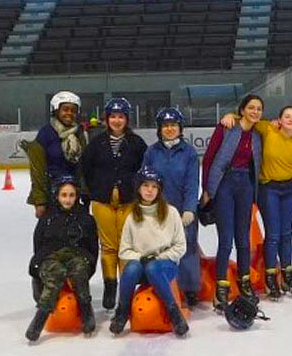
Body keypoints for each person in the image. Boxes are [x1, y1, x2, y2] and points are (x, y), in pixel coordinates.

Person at [220, 106, 292, 300]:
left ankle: (287, 275)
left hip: (289, 188)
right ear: (279, 119)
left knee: (287, 233)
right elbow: (248, 118)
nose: (291, 119)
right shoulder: (267, 129)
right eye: (287, 116)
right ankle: (271, 276)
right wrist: (230, 115)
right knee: (274, 234)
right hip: (269, 188)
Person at [80, 98, 147, 310]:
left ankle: (127, 286)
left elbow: (145, 171)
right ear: (107, 119)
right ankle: (110, 286)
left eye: (121, 116)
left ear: (127, 119)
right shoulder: (96, 143)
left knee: (127, 246)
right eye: (113, 116)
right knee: (108, 246)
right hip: (102, 202)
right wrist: (89, 192)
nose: (117, 120)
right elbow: (84, 169)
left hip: (129, 201)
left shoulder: (137, 144)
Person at [110, 167, 189, 337]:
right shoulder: (132, 216)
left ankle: (174, 312)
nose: (149, 190)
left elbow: (180, 246)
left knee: (153, 267)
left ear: (159, 190)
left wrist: (158, 258)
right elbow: (124, 249)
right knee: (130, 268)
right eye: (145, 185)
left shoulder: (171, 213)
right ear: (138, 188)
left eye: (154, 187)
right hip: (141, 264)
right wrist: (141, 258)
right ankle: (122, 311)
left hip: (164, 265)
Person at [202, 95, 264, 311]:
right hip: (224, 184)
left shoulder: (258, 135)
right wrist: (208, 189)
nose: (255, 112)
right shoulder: (227, 127)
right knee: (226, 238)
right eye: (251, 108)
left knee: (243, 238)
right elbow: (209, 158)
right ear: (242, 110)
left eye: (259, 109)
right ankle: (221, 286)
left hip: (245, 185)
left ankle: (245, 282)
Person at [25, 176, 99, 342]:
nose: (67, 199)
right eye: (64, 195)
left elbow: (93, 246)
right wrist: (38, 265)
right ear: (57, 196)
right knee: (56, 273)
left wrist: (90, 262)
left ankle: (86, 309)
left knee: (79, 270)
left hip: (76, 255)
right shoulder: (48, 218)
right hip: (51, 257)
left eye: (71, 195)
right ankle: (40, 316)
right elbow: (38, 244)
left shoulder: (85, 219)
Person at [142, 108, 200, 307]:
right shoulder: (152, 152)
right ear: (159, 129)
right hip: (158, 211)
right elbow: (144, 181)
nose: (169, 129)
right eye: (165, 126)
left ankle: (189, 288)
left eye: (173, 125)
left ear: (180, 128)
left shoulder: (189, 152)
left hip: (182, 210)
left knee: (187, 249)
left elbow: (193, 183)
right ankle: (161, 286)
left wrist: (190, 209)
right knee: (159, 249)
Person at [24, 91, 89, 219]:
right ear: (56, 110)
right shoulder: (45, 134)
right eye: (65, 109)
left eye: (73, 110)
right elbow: (38, 171)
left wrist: (86, 193)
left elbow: (84, 167)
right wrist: (40, 201)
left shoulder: (80, 134)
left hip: (74, 194)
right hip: (51, 195)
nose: (69, 113)